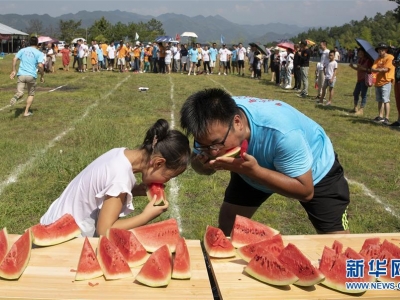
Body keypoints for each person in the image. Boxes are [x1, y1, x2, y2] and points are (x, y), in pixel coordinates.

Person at [180, 88, 350, 236]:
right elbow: (202, 167)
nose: (213, 152)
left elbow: (305, 191)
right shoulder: (208, 127)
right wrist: (202, 165)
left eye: (217, 144)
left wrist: (253, 171)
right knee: (227, 226)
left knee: (338, 243)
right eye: (203, 146)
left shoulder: (283, 133)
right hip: (249, 167)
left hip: (314, 170)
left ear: (237, 122)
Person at [40, 119, 191, 237]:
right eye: (168, 176)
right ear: (158, 163)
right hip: (62, 235)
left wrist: (135, 190)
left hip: (53, 220)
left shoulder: (120, 153)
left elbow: (103, 188)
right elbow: (104, 230)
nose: (167, 182)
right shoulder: (120, 178)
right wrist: (146, 216)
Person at [9, 36, 45, 117]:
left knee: (20, 92)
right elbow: (40, 65)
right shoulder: (39, 53)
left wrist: (14, 70)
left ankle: (17, 95)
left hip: (21, 74)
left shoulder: (23, 50)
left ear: (29, 43)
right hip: (31, 75)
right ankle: (26, 112)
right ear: (37, 44)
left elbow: (14, 59)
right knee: (31, 94)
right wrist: (42, 75)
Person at [370, 43, 395, 125]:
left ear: (386, 50)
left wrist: (378, 69)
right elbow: (373, 68)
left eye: (382, 49)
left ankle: (387, 118)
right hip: (378, 82)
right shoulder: (377, 59)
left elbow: (386, 69)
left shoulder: (390, 57)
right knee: (379, 100)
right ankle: (380, 116)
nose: (380, 51)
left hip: (386, 81)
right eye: (379, 50)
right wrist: (379, 69)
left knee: (386, 100)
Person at [349, 48, 373, 115]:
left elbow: (370, 70)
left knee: (363, 94)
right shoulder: (360, 60)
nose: (360, 53)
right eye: (359, 52)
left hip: (364, 79)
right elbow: (358, 69)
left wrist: (362, 68)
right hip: (359, 79)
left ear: (364, 53)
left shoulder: (368, 60)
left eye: (361, 52)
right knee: (355, 93)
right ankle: (355, 107)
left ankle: (361, 109)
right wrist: (352, 67)